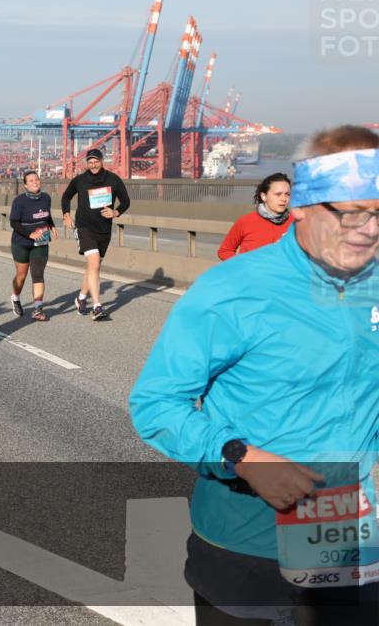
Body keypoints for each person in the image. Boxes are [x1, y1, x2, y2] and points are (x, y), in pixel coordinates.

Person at [128, 126, 379, 626]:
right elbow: (156, 404)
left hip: (356, 545)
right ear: (302, 205)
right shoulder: (231, 289)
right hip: (247, 543)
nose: (368, 230)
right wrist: (240, 456)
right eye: (351, 213)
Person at [60, 148, 130, 320]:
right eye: (90, 162)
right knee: (94, 263)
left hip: (104, 230)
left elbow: (126, 201)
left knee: (94, 266)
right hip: (84, 227)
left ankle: (81, 298)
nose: (93, 165)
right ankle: (97, 306)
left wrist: (116, 212)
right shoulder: (80, 180)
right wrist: (66, 215)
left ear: (101, 161)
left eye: (96, 161)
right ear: (87, 163)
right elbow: (66, 197)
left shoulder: (113, 180)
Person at [9, 171, 60, 321]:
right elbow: (14, 222)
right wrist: (29, 234)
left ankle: (37, 309)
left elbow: (45, 214)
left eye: (36, 179)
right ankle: (15, 297)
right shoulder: (19, 201)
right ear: (25, 185)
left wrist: (52, 226)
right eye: (31, 181)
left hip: (41, 242)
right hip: (22, 242)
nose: (35, 182)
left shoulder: (46, 198)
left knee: (38, 274)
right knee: (21, 276)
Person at [218, 173, 293, 260]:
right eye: (278, 194)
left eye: (287, 194)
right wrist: (243, 265)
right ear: (264, 196)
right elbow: (224, 251)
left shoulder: (297, 223)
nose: (284, 199)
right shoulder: (246, 221)